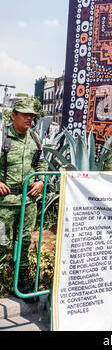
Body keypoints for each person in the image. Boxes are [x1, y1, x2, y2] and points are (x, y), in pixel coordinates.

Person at [0, 99, 48, 302]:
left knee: (25, 242)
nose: (30, 118)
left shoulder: (35, 138)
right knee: (2, 243)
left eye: (32, 116)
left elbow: (42, 164)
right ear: (13, 115)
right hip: (5, 204)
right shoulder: (3, 137)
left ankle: (22, 283)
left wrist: (41, 182)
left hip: (28, 202)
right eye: (25, 115)